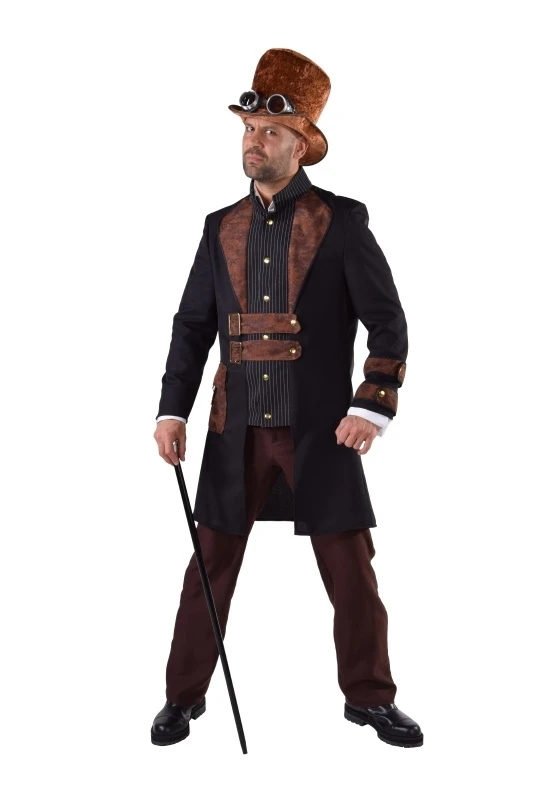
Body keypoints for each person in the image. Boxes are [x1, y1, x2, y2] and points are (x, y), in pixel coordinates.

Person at [151, 48, 423, 748]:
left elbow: (387, 321)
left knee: (351, 571)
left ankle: (369, 698)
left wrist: (371, 406)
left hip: (320, 431)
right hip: (233, 428)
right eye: (248, 128)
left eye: (269, 131)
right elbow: (192, 326)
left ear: (300, 143)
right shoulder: (218, 226)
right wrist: (172, 410)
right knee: (207, 568)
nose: (253, 140)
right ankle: (182, 696)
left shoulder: (343, 221)